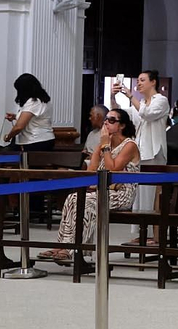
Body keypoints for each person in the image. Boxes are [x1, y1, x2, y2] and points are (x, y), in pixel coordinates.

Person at [38, 108, 140, 263]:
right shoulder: (102, 145)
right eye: (106, 119)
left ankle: (75, 249)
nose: (106, 123)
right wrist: (101, 148)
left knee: (88, 203)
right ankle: (61, 245)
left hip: (121, 193)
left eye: (112, 120)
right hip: (102, 190)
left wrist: (105, 147)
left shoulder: (129, 145)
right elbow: (91, 172)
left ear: (122, 125)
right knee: (72, 198)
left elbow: (113, 169)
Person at [117, 69, 170, 241]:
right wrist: (113, 96)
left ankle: (153, 235)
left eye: (142, 80)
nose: (139, 83)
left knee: (151, 194)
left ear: (153, 82)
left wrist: (130, 96)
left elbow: (147, 114)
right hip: (140, 151)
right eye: (138, 80)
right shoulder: (140, 102)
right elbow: (123, 116)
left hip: (153, 152)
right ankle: (142, 232)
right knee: (139, 194)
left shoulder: (161, 100)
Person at [2, 73, 55, 152]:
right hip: (45, 139)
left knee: (6, 153)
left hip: (35, 140)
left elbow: (19, 127)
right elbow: (35, 118)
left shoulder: (33, 102)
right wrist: (15, 117)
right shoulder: (44, 100)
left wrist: (8, 137)